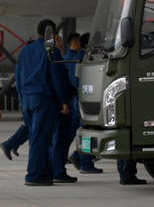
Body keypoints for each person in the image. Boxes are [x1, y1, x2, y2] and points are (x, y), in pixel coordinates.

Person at [15, 21, 75, 185]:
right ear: (51, 32)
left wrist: (22, 99)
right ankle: (34, 175)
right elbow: (58, 78)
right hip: (43, 100)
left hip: (27, 99)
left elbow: (18, 77)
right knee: (41, 139)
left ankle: (45, 173)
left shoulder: (25, 51)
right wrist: (64, 101)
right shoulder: (51, 51)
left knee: (36, 138)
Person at [63, 33, 102, 174]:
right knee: (86, 131)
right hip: (81, 98)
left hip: (72, 99)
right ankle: (85, 162)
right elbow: (79, 80)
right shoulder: (81, 57)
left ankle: (74, 156)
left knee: (73, 132)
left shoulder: (66, 58)